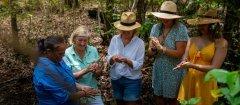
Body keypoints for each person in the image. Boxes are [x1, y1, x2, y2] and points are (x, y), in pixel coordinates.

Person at [177, 9, 228, 105]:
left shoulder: (221, 43)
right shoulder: (192, 40)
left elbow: (214, 68)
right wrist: (183, 62)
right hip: (190, 79)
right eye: (199, 24)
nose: (201, 27)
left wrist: (191, 65)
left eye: (204, 24)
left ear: (213, 26)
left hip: (206, 82)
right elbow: (185, 57)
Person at [33, 35, 99, 105]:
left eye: (64, 52)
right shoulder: (45, 72)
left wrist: (82, 87)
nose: (63, 56)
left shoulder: (57, 59)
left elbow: (67, 79)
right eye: (61, 53)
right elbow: (63, 98)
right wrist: (85, 93)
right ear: (49, 52)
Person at [148, 1, 189, 105]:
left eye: (168, 17)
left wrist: (162, 48)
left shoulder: (180, 29)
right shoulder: (156, 28)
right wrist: (153, 48)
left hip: (174, 69)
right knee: (158, 96)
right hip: (159, 68)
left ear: (174, 17)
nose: (164, 19)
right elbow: (149, 53)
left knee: (173, 99)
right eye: (163, 16)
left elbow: (180, 53)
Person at [106, 11, 145, 105]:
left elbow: (139, 65)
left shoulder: (139, 43)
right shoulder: (115, 39)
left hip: (132, 79)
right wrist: (113, 58)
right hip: (116, 77)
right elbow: (108, 58)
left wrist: (127, 61)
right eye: (124, 29)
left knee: (131, 102)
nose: (126, 31)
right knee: (119, 102)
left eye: (129, 30)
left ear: (134, 30)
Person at [63, 26, 104, 105]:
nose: (83, 43)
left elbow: (98, 75)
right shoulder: (66, 53)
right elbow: (68, 77)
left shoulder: (93, 50)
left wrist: (97, 71)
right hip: (76, 93)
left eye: (85, 40)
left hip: (92, 89)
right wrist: (86, 70)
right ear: (74, 39)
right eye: (80, 40)